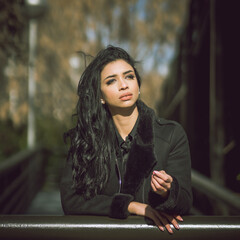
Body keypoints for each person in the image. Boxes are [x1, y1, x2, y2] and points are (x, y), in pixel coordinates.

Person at [60, 45, 192, 234]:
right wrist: (130, 205)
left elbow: (186, 201)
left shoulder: (171, 134)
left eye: (129, 76)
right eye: (111, 81)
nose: (124, 85)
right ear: (101, 97)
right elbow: (70, 200)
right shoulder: (87, 139)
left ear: (138, 85)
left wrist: (168, 191)